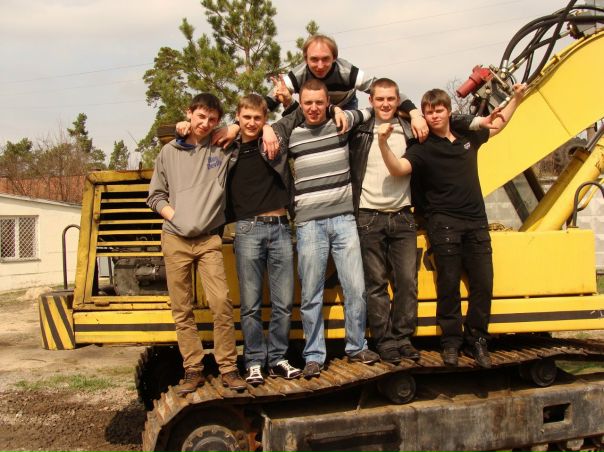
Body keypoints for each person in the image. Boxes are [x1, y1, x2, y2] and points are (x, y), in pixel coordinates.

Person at [377, 84, 527, 368]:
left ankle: (478, 340)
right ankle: (451, 343)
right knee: (448, 286)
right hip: (443, 225)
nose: (434, 116)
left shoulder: (468, 137)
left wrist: (517, 98)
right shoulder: (420, 148)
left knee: (483, 284)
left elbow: (498, 125)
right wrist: (383, 144)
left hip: (476, 223)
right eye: (428, 112)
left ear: (448, 111)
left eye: (438, 110)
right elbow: (398, 169)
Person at [271, 79, 380, 378]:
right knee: (311, 293)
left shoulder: (341, 125)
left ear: (327, 103)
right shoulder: (293, 134)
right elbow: (269, 136)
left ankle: (357, 346)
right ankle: (314, 356)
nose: (314, 108)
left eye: (320, 102)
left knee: (355, 288)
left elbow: (370, 111)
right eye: (308, 103)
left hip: (344, 220)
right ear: (301, 104)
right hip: (308, 224)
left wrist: (340, 111)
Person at [147, 93, 246, 395]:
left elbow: (252, 124)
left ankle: (228, 368)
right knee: (182, 309)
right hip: (175, 238)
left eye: (213, 119)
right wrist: (176, 217)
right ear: (189, 113)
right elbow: (155, 196)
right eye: (201, 116)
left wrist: (234, 127)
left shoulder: (221, 148)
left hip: (208, 240)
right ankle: (193, 369)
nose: (206, 123)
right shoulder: (169, 152)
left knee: (221, 303)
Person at [225, 94, 302, 385]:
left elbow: (297, 115)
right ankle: (254, 361)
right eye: (246, 117)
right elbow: (200, 131)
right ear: (238, 116)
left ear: (265, 119)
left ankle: (278, 358)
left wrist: (274, 123)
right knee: (250, 304)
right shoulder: (228, 146)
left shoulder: (274, 137)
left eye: (258, 118)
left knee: (284, 302)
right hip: (248, 230)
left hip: (280, 228)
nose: (252, 122)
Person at [348, 78, 421, 363]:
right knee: (375, 284)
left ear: (398, 99)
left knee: (407, 281)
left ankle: (403, 338)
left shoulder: (409, 129)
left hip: (402, 215)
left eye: (391, 98)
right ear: (371, 101)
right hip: (368, 216)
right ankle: (385, 341)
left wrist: (415, 112)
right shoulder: (360, 130)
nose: (386, 104)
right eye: (380, 99)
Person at [267, 34, 429, 141]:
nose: (320, 65)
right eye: (314, 59)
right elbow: (268, 100)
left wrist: (415, 115)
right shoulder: (299, 74)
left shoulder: (347, 72)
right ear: (305, 59)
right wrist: (261, 125)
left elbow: (386, 90)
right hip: (317, 108)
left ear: (334, 58)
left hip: (346, 105)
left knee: (348, 136)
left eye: (325, 59)